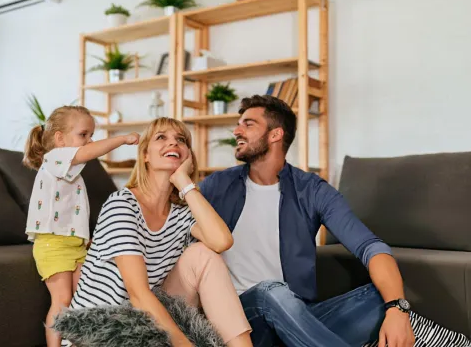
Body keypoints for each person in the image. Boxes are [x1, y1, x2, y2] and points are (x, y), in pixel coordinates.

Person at [199, 95, 415, 347]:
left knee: (384, 298)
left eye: (248, 124)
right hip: (241, 319)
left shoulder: (311, 190)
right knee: (271, 291)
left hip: (294, 316)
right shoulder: (217, 185)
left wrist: (397, 308)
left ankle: (304, 339)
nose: (236, 131)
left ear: (275, 134)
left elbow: (370, 246)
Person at [71, 117, 253, 347]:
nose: (173, 143)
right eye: (161, 138)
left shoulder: (180, 213)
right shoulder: (122, 205)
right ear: (145, 155)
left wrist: (184, 182)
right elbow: (138, 294)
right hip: (101, 330)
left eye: (181, 140)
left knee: (202, 255)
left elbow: (222, 241)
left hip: (145, 324)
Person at [23, 104, 139, 347]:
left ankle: (78, 343)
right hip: (52, 244)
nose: (89, 141)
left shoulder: (73, 172)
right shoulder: (54, 158)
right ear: (60, 139)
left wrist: (86, 238)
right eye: (83, 135)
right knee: (62, 299)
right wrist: (122, 139)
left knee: (83, 299)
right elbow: (88, 153)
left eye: (91, 135)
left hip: (75, 245)